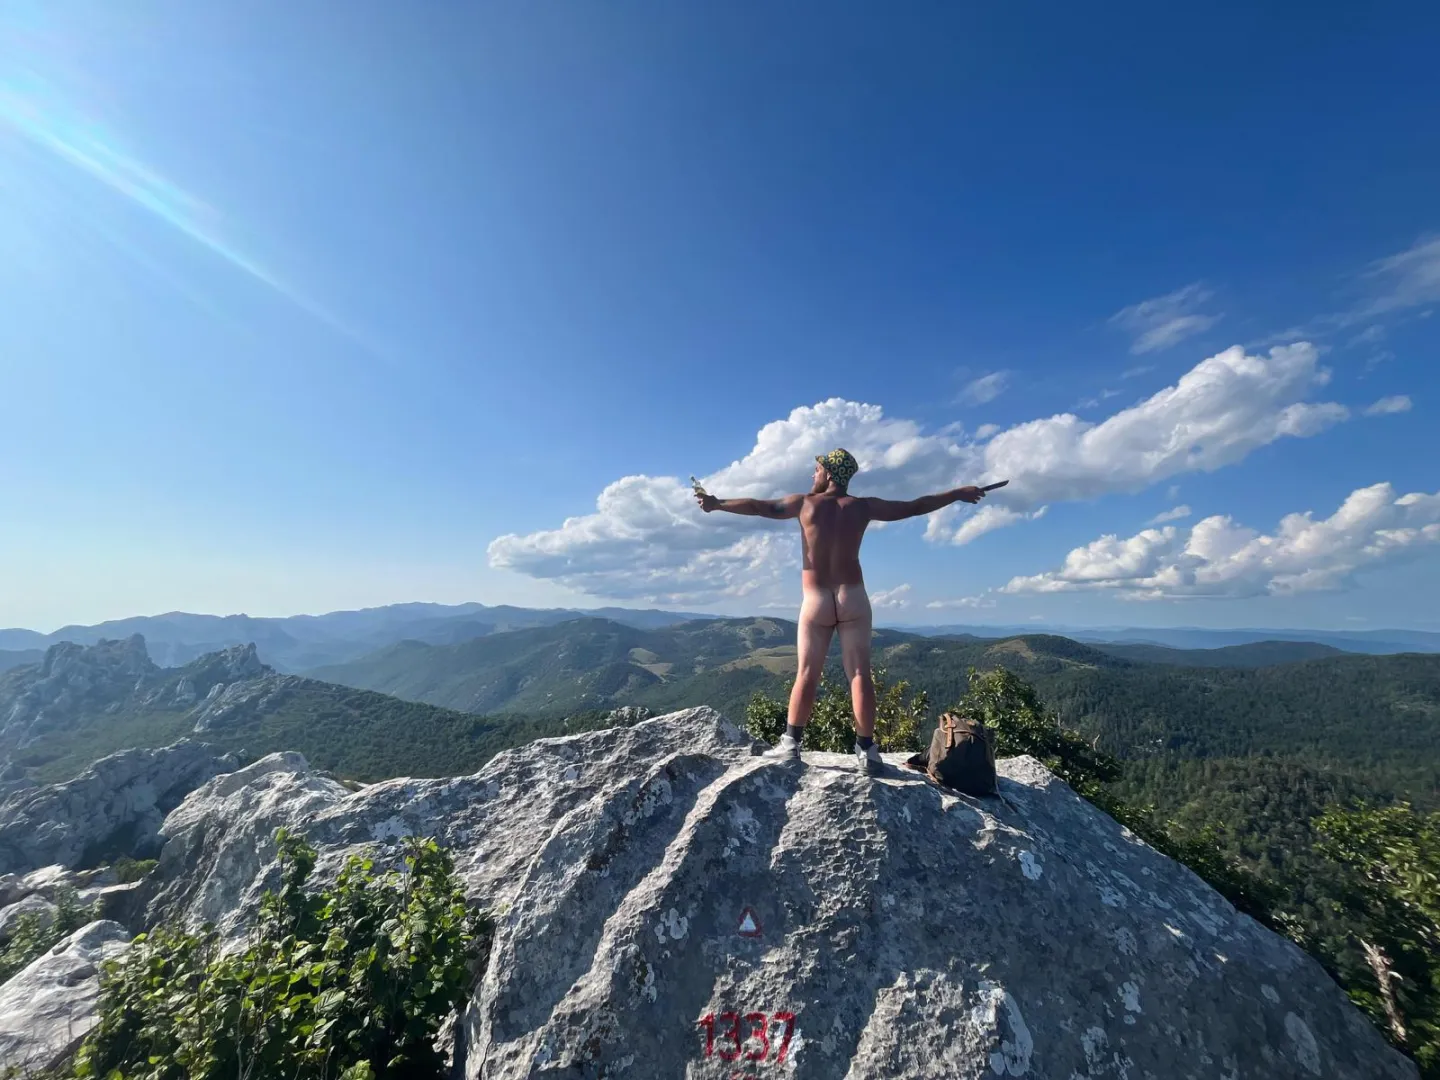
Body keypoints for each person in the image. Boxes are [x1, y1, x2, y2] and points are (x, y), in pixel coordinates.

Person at [695, 448, 987, 774]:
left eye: (816, 469)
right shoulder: (863, 507)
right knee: (860, 674)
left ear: (830, 473)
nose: (813, 475)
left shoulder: (804, 503)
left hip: (816, 598)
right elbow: (916, 506)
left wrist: (717, 503)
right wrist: (957, 493)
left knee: (807, 673)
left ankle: (791, 746)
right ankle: (867, 751)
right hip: (854, 596)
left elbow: (757, 506)